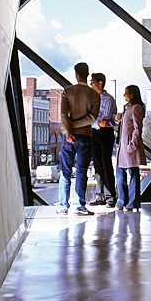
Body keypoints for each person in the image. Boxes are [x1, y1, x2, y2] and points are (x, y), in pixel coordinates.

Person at [57, 62, 101, 215]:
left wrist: (69, 130)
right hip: (85, 137)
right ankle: (80, 206)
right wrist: (77, 125)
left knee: (65, 172)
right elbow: (92, 117)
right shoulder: (94, 95)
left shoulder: (67, 92)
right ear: (87, 74)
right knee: (82, 171)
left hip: (68, 137)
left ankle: (63, 206)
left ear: (76, 74)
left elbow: (63, 115)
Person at [89, 73, 118, 207]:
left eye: (93, 81)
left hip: (105, 133)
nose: (91, 84)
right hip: (94, 133)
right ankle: (99, 195)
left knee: (106, 164)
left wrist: (95, 121)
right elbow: (91, 119)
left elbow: (105, 121)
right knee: (97, 165)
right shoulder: (92, 99)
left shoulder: (109, 100)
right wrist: (95, 122)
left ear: (100, 83)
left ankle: (110, 196)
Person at [115, 85, 145, 212]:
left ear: (132, 95)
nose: (124, 95)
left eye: (126, 93)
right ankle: (122, 200)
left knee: (132, 173)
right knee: (120, 173)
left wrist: (131, 146)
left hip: (129, 147)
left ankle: (132, 202)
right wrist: (118, 119)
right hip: (123, 147)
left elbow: (137, 129)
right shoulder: (127, 109)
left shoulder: (136, 108)